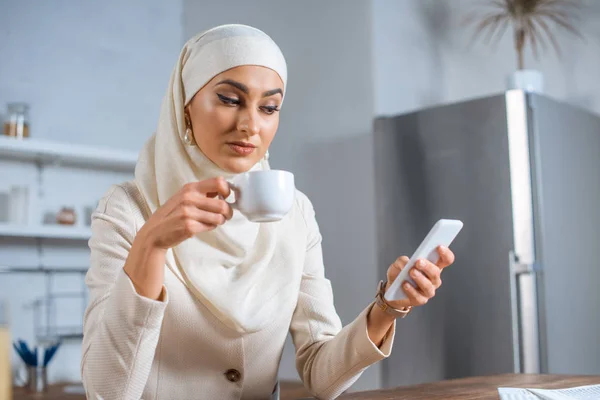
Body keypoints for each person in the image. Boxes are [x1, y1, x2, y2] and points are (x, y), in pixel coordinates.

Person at [81, 24, 455, 400]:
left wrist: (388, 307)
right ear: (185, 107)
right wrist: (151, 244)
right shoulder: (128, 211)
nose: (250, 126)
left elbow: (322, 375)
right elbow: (107, 392)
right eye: (229, 99)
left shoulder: (296, 213)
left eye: (269, 108)